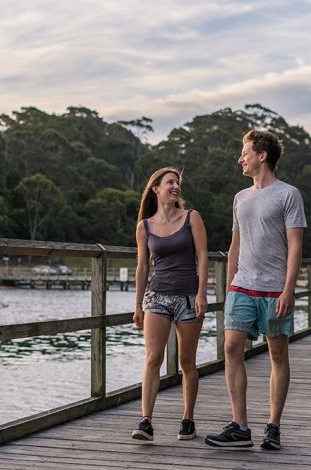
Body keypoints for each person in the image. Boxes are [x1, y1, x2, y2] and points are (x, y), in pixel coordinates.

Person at [205, 129, 306, 450]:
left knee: (278, 354)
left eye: (245, 152)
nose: (240, 158)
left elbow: (295, 246)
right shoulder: (240, 197)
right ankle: (240, 426)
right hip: (242, 287)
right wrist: (229, 287)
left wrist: (289, 289)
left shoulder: (288, 195)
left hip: (274, 289)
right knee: (231, 348)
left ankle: (273, 426)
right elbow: (234, 245)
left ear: (262, 156)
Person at [131, 167, 209, 442]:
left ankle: (188, 419)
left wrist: (202, 293)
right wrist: (138, 304)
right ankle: (145, 421)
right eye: (170, 182)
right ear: (156, 189)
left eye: (178, 182)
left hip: (188, 297)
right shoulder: (145, 226)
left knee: (187, 361)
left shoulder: (192, 218)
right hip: (157, 297)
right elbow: (142, 266)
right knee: (153, 358)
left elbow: (202, 256)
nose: (176, 186)